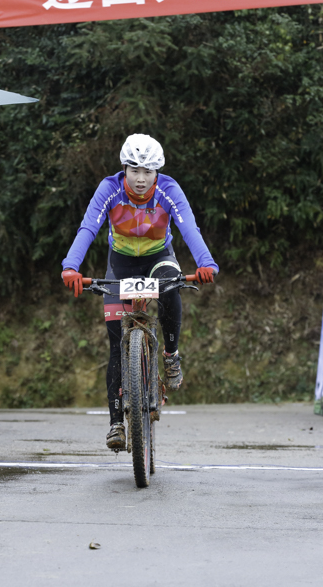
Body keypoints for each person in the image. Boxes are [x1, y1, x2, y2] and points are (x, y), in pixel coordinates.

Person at [60, 134, 219, 450]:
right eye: (135, 170)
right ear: (124, 168)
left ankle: (170, 356)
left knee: (171, 284)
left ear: (157, 172)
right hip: (119, 265)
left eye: (148, 171)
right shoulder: (110, 189)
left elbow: (189, 227)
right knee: (117, 344)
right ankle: (117, 423)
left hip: (158, 258)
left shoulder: (168, 190)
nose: (142, 178)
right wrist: (70, 267)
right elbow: (88, 227)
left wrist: (206, 263)